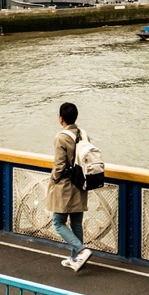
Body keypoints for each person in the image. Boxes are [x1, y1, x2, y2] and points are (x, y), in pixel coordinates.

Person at [47, 101, 92, 272]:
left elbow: (59, 166)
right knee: (76, 223)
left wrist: (53, 179)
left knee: (58, 222)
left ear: (61, 119)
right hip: (81, 183)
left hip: (65, 185)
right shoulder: (84, 134)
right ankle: (75, 259)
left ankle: (81, 251)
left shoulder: (61, 137)